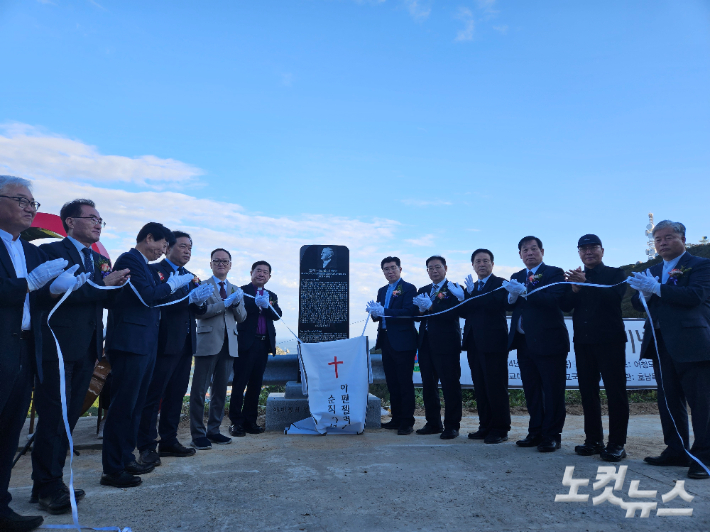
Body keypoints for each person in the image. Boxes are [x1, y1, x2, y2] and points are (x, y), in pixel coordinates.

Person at [31, 199, 129, 514]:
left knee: (69, 418)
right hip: (58, 347)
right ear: (71, 222)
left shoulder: (94, 258)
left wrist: (117, 287)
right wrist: (101, 284)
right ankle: (47, 487)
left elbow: (97, 299)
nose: (99, 224)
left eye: (102, 220)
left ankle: (50, 481)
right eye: (92, 218)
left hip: (87, 349)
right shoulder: (53, 252)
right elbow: (49, 295)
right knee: (53, 418)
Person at [0, 175, 86, 531]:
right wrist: (28, 284)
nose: (29, 208)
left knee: (9, 429)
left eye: (32, 203)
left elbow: (36, 295)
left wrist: (54, 290)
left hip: (24, 345)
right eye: (21, 200)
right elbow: (19, 288)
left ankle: (2, 507)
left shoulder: (31, 249)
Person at [101, 222, 194, 488]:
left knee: (134, 405)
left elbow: (158, 300)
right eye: (163, 245)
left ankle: (126, 457)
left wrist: (184, 294)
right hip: (130, 342)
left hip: (145, 343)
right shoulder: (131, 259)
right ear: (149, 238)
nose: (163, 252)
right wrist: (173, 285)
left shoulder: (143, 264)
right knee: (122, 407)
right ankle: (112, 468)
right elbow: (147, 297)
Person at [629, 220, 710, 480]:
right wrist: (645, 293)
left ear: (683, 238)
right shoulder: (652, 269)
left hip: (692, 343)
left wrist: (657, 289)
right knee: (668, 400)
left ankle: (705, 457)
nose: (662, 243)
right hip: (660, 341)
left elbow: (695, 296)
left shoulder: (700, 265)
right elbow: (637, 303)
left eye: (668, 237)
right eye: (658, 240)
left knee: (702, 403)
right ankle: (676, 449)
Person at [135, 231, 212, 468]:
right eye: (182, 246)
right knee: (153, 395)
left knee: (176, 394)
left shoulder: (191, 276)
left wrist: (199, 302)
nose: (187, 251)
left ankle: (168, 440)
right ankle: (147, 445)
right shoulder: (155, 272)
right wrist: (189, 300)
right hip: (162, 341)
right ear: (167, 247)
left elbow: (197, 312)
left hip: (186, 343)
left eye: (190, 247)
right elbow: (156, 303)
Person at [561, 234, 629, 462]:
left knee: (615, 392)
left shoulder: (615, 273)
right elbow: (564, 306)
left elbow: (614, 297)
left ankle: (617, 443)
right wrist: (573, 289)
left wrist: (586, 283)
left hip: (610, 341)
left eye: (593, 248)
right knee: (588, 393)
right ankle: (593, 440)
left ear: (602, 250)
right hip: (583, 342)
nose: (588, 252)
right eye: (583, 249)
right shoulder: (575, 277)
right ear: (579, 252)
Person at [505, 236, 569, 453]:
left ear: (542, 251)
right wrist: (512, 297)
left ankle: (552, 435)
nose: (529, 253)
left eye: (533, 249)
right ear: (520, 254)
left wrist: (525, 292)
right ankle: (535, 432)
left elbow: (554, 299)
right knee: (531, 390)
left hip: (549, 340)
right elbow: (512, 306)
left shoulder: (554, 272)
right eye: (525, 250)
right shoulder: (516, 276)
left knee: (552, 390)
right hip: (523, 342)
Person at [189, 248, 246, 449]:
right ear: (210, 264)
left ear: (230, 265)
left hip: (229, 344)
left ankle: (214, 430)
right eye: (217, 261)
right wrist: (225, 303)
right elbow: (200, 313)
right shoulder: (202, 286)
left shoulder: (236, 289)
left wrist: (237, 303)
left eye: (225, 261)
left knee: (220, 391)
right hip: (207, 343)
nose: (221, 264)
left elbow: (242, 317)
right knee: (199, 391)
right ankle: (197, 433)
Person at [459, 249, 511, 444]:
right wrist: (462, 298)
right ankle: (485, 426)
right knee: (480, 386)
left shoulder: (500, 283)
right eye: (478, 261)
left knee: (496, 386)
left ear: (492, 264)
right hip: (473, 342)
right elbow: (465, 312)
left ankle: (500, 428)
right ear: (473, 265)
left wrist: (473, 294)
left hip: (493, 342)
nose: (482, 264)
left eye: (486, 261)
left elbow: (495, 304)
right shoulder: (471, 286)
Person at [412, 255, 465, 440]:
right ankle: (433, 422)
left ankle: (452, 426)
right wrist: (419, 310)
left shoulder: (454, 289)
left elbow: (452, 314)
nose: (434, 271)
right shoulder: (424, 289)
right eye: (430, 268)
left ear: (445, 268)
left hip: (446, 344)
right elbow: (418, 316)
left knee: (450, 385)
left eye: (437, 267)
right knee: (428, 385)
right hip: (425, 343)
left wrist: (431, 307)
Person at [228, 261, 282, 437]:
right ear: (251, 272)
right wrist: (256, 304)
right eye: (258, 271)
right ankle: (236, 422)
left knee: (256, 384)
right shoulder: (241, 291)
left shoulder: (271, 294)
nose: (261, 274)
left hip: (263, 343)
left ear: (269, 277)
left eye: (265, 272)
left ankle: (250, 420)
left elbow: (277, 315)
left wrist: (268, 306)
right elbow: (238, 311)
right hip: (245, 343)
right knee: (239, 383)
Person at [366, 256, 418, 435]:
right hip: (386, 340)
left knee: (404, 382)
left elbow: (409, 312)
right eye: (386, 269)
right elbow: (379, 316)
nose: (390, 271)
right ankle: (396, 418)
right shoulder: (382, 290)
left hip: (403, 341)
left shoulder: (409, 288)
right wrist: (374, 312)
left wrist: (385, 311)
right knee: (392, 382)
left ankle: (407, 421)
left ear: (400, 269)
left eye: (393, 268)